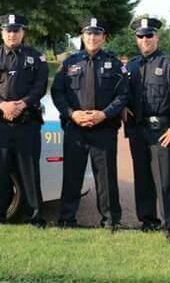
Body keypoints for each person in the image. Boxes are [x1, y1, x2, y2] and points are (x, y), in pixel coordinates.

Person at [51, 18, 128, 231]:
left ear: (103, 37)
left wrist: (104, 114)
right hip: (76, 128)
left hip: (104, 129)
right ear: (83, 37)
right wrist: (72, 114)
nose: (92, 38)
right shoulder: (69, 64)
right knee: (72, 175)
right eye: (88, 34)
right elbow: (58, 92)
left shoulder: (114, 64)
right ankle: (67, 219)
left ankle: (111, 220)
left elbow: (122, 95)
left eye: (97, 34)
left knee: (106, 177)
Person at [123, 17, 170, 244]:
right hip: (138, 131)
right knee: (142, 179)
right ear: (136, 39)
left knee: (165, 181)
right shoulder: (131, 66)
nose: (145, 40)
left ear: (157, 37)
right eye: (140, 36)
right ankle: (148, 221)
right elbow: (122, 94)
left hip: (163, 131)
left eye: (149, 35)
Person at [0, 14, 48, 227]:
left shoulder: (36, 58)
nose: (12, 34)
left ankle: (34, 218)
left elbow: (40, 86)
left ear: (23, 32)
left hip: (26, 124)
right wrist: (3, 105)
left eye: (16, 30)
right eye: (8, 30)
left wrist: (22, 104)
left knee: (29, 172)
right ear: (2, 32)